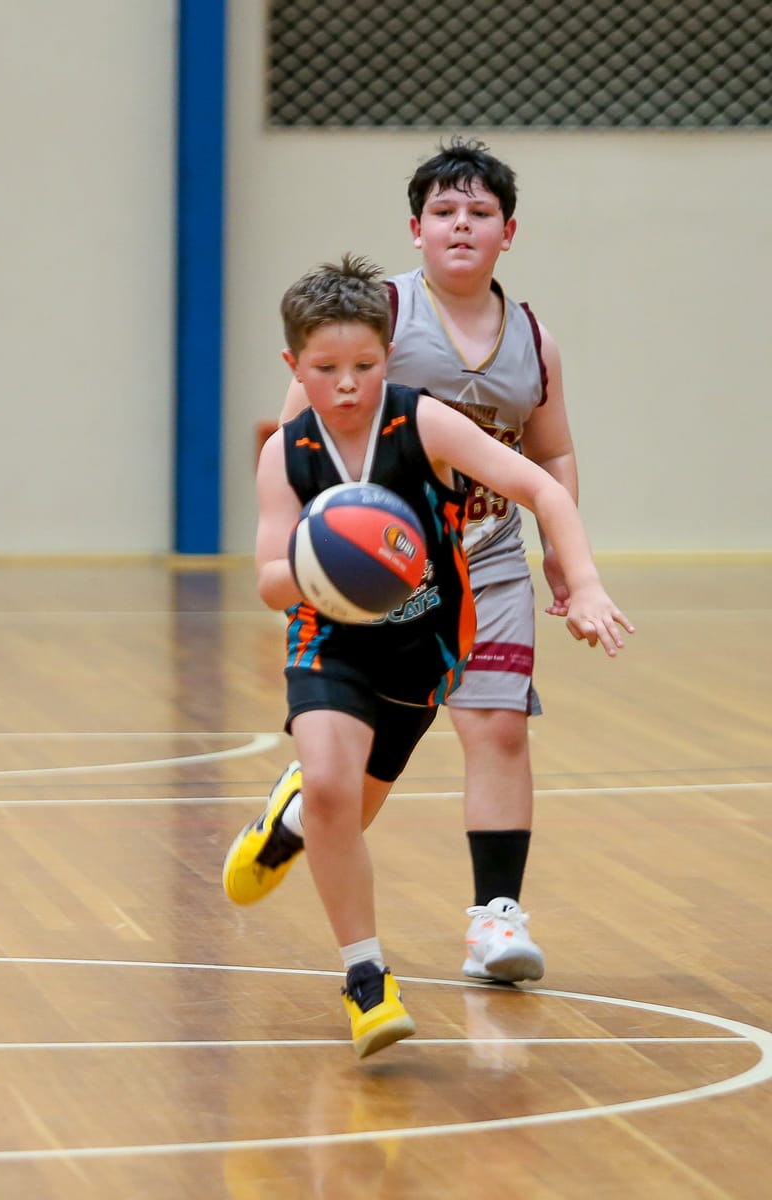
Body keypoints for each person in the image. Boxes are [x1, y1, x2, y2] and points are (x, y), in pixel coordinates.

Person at [223, 255, 633, 1058]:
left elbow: (543, 489)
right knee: (340, 793)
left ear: (390, 355)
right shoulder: (288, 454)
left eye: (365, 367)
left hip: (427, 644)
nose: (346, 384)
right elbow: (272, 582)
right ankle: (366, 977)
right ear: (293, 368)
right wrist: (325, 564)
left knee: (347, 812)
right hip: (329, 638)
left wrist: (580, 581)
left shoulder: (427, 423)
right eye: (325, 369)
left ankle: (293, 816)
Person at [274, 138, 578, 984]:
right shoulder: (380, 315)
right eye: (444, 212)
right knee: (368, 774)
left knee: (499, 728)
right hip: (385, 567)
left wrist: (561, 547)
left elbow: (551, 456)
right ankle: (303, 808)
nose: (461, 226)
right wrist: (315, 537)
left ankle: (495, 921)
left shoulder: (534, 339)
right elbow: (301, 428)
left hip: (489, 556)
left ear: (507, 232)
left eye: (480, 213)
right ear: (415, 228)